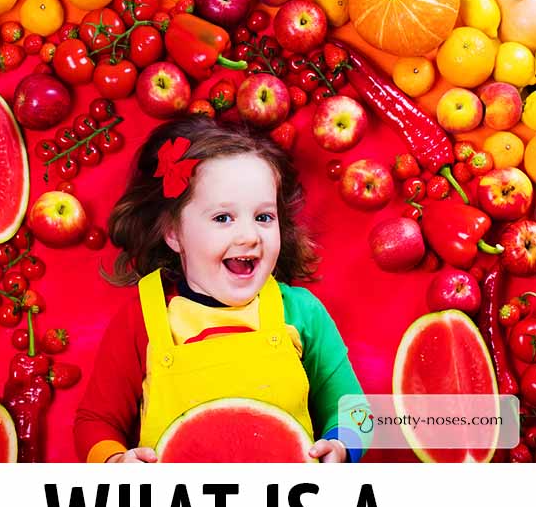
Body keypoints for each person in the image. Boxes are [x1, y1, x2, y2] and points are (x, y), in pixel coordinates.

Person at [74, 116, 371, 463]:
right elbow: (94, 421)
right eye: (223, 218)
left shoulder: (302, 311)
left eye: (263, 217)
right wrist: (113, 460)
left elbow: (356, 412)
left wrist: (342, 446)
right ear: (173, 233)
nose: (249, 236)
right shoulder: (144, 319)